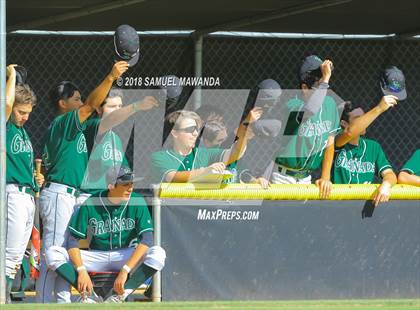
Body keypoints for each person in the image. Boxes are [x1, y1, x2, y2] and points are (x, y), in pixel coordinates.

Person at [36, 61, 129, 303]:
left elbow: (107, 119)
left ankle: (62, 302)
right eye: (75, 99)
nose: (80, 102)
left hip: (67, 194)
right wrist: (110, 76)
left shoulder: (80, 129)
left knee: (64, 255)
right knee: (53, 254)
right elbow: (91, 105)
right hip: (59, 193)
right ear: (62, 103)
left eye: (80, 99)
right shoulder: (62, 123)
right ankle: (44, 304)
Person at [45, 166, 165, 303]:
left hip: (125, 256)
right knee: (53, 253)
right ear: (111, 186)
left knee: (158, 254)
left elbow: (147, 239)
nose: (130, 188)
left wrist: (125, 270)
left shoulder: (136, 201)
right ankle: (89, 295)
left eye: (132, 184)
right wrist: (81, 270)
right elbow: (73, 240)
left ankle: (119, 295)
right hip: (97, 256)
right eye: (125, 184)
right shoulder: (92, 202)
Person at [272, 55, 339, 198]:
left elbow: (330, 143)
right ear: (304, 88)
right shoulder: (292, 105)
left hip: (306, 178)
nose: (323, 87)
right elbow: (311, 110)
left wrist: (325, 177)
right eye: (318, 85)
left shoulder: (330, 104)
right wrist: (325, 80)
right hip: (283, 177)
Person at [5, 64, 44, 303]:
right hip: (12, 193)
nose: (25, 116)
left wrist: (35, 177)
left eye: (28, 112)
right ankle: (2, 298)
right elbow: (7, 105)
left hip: (26, 193)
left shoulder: (22, 132)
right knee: (10, 254)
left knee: (18, 253)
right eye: (22, 112)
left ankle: (5, 296)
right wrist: (10, 77)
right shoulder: (7, 125)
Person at [81, 87, 158, 194]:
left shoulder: (116, 139)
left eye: (120, 106)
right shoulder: (91, 127)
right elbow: (111, 119)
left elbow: (123, 173)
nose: (118, 110)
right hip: (88, 196)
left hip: (109, 197)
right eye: (112, 106)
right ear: (99, 109)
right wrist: (137, 106)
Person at [151, 109, 257, 183]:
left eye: (196, 129)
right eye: (190, 130)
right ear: (174, 133)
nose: (195, 133)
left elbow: (234, 154)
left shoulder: (204, 153)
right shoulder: (160, 156)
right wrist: (205, 171)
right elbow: (173, 177)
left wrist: (243, 136)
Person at [333, 99, 398, 206]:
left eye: (365, 116)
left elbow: (390, 174)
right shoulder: (336, 140)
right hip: (337, 204)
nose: (365, 121)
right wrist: (379, 108)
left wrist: (387, 184)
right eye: (359, 119)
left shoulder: (373, 147)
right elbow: (349, 133)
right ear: (344, 123)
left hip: (364, 206)